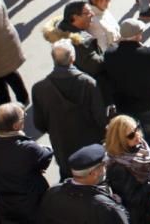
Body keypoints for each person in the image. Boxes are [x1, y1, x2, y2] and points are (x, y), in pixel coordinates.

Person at [31, 40, 106, 178]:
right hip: (90, 146)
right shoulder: (88, 83)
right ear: (73, 58)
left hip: (62, 145)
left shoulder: (39, 88)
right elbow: (100, 118)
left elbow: (39, 124)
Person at [102, 19, 150, 161]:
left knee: (131, 141)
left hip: (124, 107)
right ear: (138, 35)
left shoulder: (110, 54)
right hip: (148, 106)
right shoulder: (149, 53)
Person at [0, 102, 54, 223]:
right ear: (15, 126)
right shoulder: (28, 148)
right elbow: (46, 154)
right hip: (31, 204)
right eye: (23, 116)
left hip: (4, 205)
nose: (25, 118)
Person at [37, 144, 131, 223]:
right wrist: (117, 204)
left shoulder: (52, 193)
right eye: (103, 164)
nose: (106, 167)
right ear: (94, 173)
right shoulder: (105, 207)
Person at [103, 114, 150, 224]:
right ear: (120, 140)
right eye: (131, 135)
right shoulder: (118, 166)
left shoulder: (140, 145)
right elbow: (133, 199)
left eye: (137, 128)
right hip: (140, 215)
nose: (138, 135)